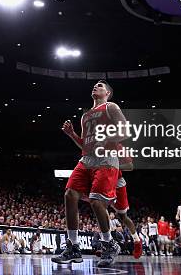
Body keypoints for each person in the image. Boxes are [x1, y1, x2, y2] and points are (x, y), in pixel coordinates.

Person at [52, 81, 127, 268]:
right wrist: (72, 135)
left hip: (106, 158)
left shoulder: (111, 107)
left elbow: (125, 131)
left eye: (100, 86)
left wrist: (108, 140)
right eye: (94, 85)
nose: (96, 87)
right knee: (69, 194)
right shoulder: (85, 115)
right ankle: (73, 247)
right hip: (87, 159)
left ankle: (109, 244)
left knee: (96, 201)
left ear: (108, 92)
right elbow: (85, 144)